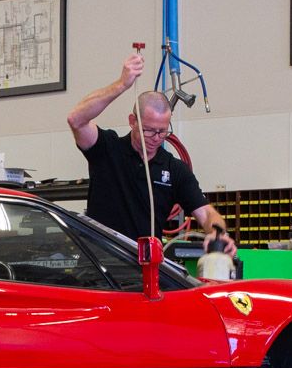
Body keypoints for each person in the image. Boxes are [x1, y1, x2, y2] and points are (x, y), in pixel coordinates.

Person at [67, 53, 235, 255]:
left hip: (144, 267)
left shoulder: (174, 170)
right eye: (148, 130)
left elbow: (206, 213)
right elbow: (76, 119)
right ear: (132, 121)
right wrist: (121, 84)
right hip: (99, 265)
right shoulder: (106, 149)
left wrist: (217, 233)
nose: (156, 137)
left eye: (162, 131)